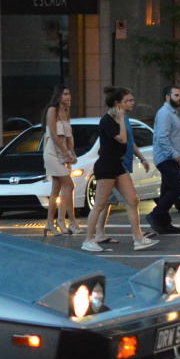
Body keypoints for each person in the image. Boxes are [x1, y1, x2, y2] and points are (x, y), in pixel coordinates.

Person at [83, 88, 157, 252]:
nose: (132, 103)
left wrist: (141, 158)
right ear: (118, 103)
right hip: (106, 166)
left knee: (133, 200)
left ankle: (138, 239)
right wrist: (121, 117)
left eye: (132, 100)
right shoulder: (107, 120)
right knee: (100, 204)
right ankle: (88, 240)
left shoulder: (121, 119)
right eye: (128, 101)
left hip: (118, 165)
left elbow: (129, 141)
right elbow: (123, 139)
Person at [41, 85, 78, 235]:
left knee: (56, 189)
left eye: (69, 94)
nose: (68, 97)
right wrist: (65, 153)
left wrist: (71, 153)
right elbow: (54, 135)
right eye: (65, 94)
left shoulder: (66, 112)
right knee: (69, 185)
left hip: (63, 153)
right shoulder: (53, 111)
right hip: (51, 153)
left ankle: (50, 223)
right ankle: (63, 220)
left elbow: (69, 137)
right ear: (58, 96)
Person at [149, 86, 180, 234]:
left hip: (171, 158)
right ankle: (155, 214)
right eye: (176, 95)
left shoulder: (172, 114)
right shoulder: (165, 114)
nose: (179, 98)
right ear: (167, 97)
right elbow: (161, 138)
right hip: (165, 158)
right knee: (177, 188)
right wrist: (174, 154)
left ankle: (164, 224)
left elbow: (174, 137)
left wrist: (179, 154)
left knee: (166, 191)